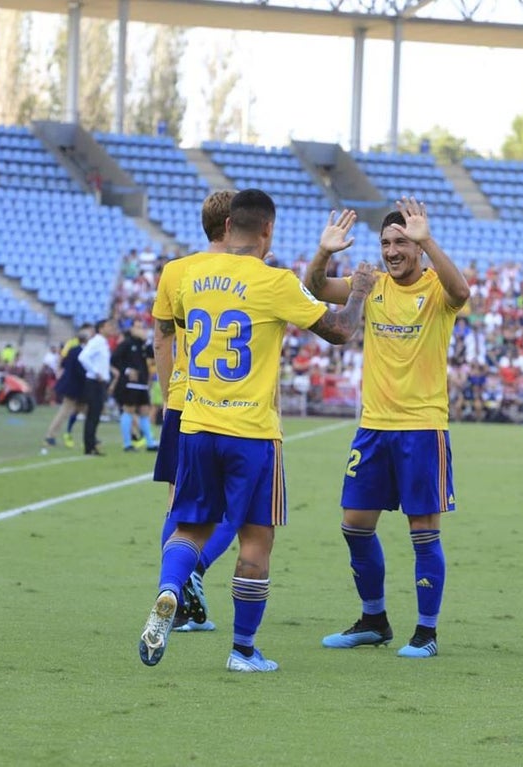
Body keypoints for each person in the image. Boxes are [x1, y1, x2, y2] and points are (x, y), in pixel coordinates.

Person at [138, 189, 375, 672]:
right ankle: (243, 651)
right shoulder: (274, 281)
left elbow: (170, 329)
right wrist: (360, 292)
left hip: (197, 423)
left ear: (228, 228)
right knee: (255, 539)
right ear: (267, 230)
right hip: (252, 431)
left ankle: (170, 589)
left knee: (189, 526)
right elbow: (341, 329)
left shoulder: (190, 275)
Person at [303, 198, 470, 659]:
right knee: (354, 526)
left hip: (422, 428)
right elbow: (314, 288)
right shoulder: (370, 285)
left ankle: (426, 632)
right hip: (373, 428)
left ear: (416, 247)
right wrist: (324, 252)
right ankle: (374, 619)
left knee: (423, 531)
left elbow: (462, 292)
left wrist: (428, 240)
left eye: (401, 242)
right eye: (386, 243)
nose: (393, 251)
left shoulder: (436, 288)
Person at [151, 189, 237, 633]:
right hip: (232, 408)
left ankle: (177, 596)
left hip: (182, 400)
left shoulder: (176, 272)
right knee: (238, 509)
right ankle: (191, 577)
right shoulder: (250, 273)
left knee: (177, 503)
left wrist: (171, 395)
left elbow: (162, 339)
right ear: (231, 226)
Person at [111, 318, 158, 452]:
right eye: (137, 327)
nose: (140, 330)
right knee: (129, 410)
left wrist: (148, 340)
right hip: (130, 384)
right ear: (131, 329)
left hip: (142, 383)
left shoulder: (143, 344)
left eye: (142, 327)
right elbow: (114, 359)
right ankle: (127, 443)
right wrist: (126, 370)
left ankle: (150, 442)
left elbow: (153, 354)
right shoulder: (126, 343)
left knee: (144, 411)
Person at [44, 324, 94, 448]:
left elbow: (65, 363)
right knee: (66, 411)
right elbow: (80, 370)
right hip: (75, 387)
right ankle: (50, 435)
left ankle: (88, 436)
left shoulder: (73, 349)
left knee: (84, 411)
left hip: (73, 385)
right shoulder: (81, 351)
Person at [79, 318, 118, 456]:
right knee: (93, 415)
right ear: (101, 328)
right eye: (108, 326)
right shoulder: (96, 342)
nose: (111, 328)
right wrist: (96, 372)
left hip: (99, 383)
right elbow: (83, 357)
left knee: (95, 415)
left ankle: (91, 444)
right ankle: (89, 446)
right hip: (94, 382)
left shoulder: (102, 342)